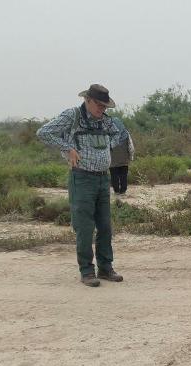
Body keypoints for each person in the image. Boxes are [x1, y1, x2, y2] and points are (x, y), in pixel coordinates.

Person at [36, 84, 124, 287]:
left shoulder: (106, 121)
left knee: (105, 226)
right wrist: (68, 148)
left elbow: (120, 134)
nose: (102, 109)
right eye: (99, 105)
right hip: (82, 179)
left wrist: (108, 147)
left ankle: (105, 268)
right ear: (88, 100)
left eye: (105, 106)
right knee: (85, 227)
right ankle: (86, 271)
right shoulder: (72, 116)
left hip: (103, 179)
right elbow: (44, 133)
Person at [109, 116, 134, 195]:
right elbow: (131, 146)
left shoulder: (109, 134)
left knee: (114, 175)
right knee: (123, 175)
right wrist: (131, 156)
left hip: (112, 160)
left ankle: (116, 191)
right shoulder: (126, 133)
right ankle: (123, 191)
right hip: (124, 159)